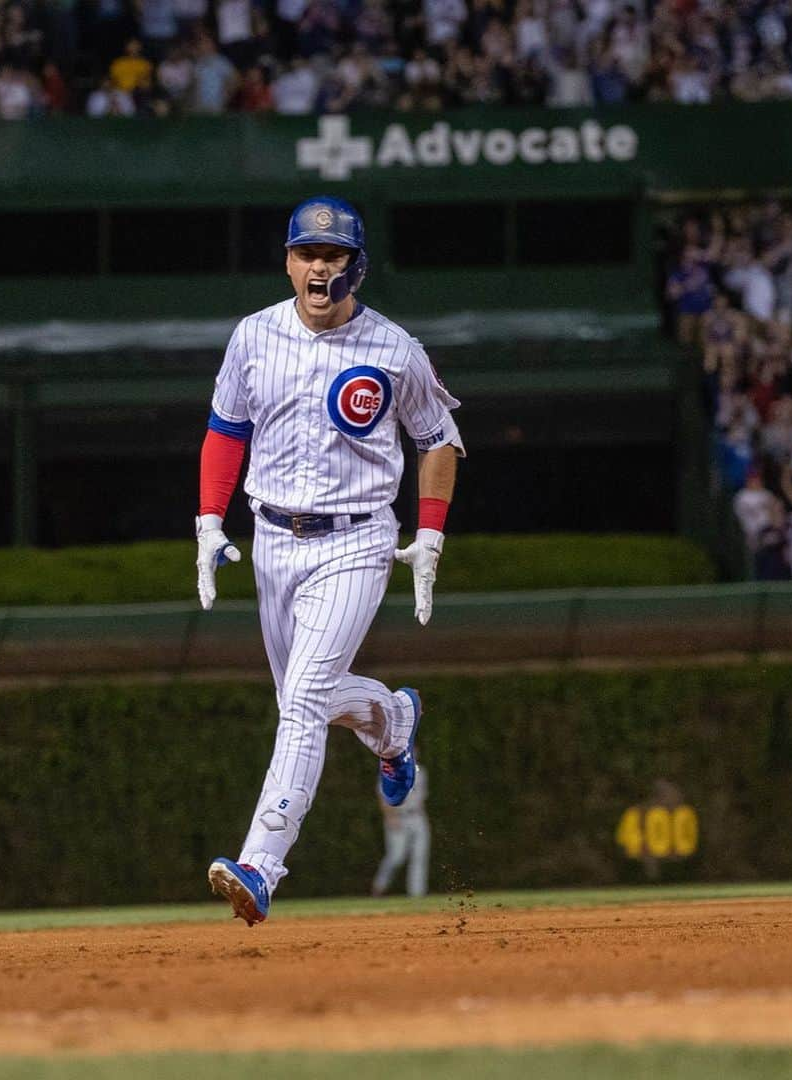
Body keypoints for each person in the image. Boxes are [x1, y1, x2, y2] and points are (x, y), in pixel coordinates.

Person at [198, 196, 464, 926]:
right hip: (273, 540)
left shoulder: (392, 347)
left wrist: (430, 534)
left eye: (334, 256)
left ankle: (261, 865)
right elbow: (225, 430)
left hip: (356, 539)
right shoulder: (253, 337)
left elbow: (438, 439)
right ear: (287, 261)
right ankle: (391, 721)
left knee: (306, 700)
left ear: (357, 266)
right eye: (307, 254)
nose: (319, 268)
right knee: (302, 702)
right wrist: (207, 520)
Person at [371, 754, 430, 898]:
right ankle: (379, 886)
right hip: (398, 816)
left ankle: (417, 894)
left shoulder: (420, 772)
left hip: (417, 816)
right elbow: (382, 796)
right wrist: (390, 817)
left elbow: (421, 798)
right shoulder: (390, 770)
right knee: (396, 857)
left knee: (419, 856)